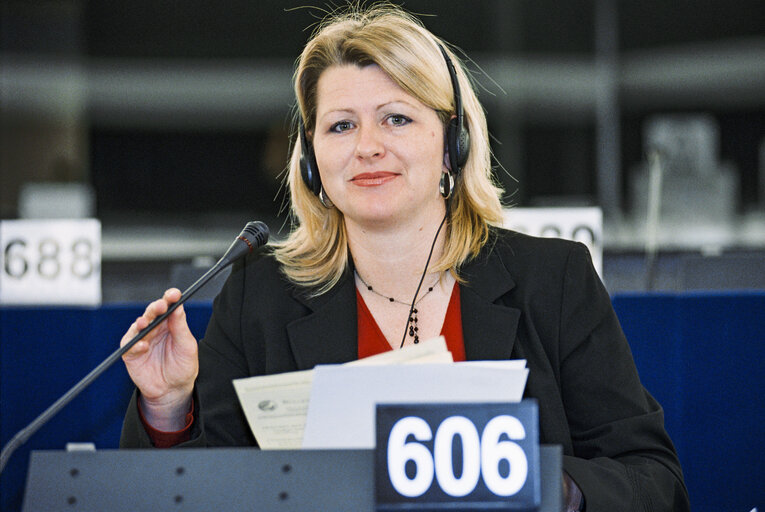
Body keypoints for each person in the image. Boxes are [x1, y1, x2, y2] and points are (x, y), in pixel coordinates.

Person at [119, 4, 690, 511]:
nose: (367, 145)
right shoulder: (259, 296)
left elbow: (653, 482)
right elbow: (202, 492)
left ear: (453, 142)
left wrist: (551, 488)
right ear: (314, 162)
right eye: (341, 125)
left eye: (396, 118)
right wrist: (169, 408)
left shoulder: (553, 280)